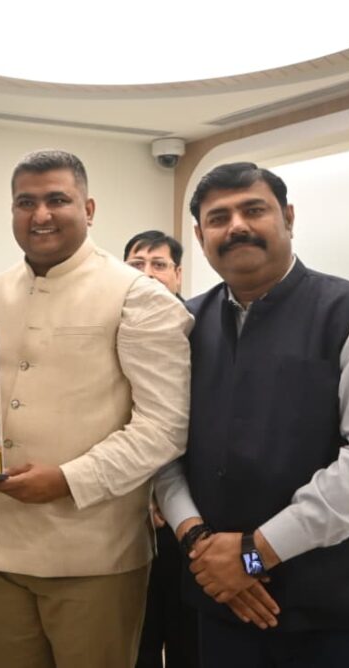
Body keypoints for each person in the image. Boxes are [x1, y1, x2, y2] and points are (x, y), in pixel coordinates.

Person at [155, 162, 349, 667]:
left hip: (333, 611)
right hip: (219, 598)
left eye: (253, 210)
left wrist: (254, 554)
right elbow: (163, 447)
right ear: (200, 236)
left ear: (288, 217)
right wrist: (200, 543)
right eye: (218, 218)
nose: (236, 226)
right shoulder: (183, 324)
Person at [0, 150, 193, 668]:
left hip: (94, 555)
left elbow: (163, 428)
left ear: (88, 209)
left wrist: (68, 479)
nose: (40, 214)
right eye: (25, 202)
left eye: (57, 200)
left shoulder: (138, 297)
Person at [123, 230, 199, 668]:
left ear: (177, 274)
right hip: (129, 512)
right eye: (137, 265)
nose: (148, 274)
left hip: (191, 515)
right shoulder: (114, 327)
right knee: (139, 638)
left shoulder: (199, 329)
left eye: (159, 264)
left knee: (189, 637)